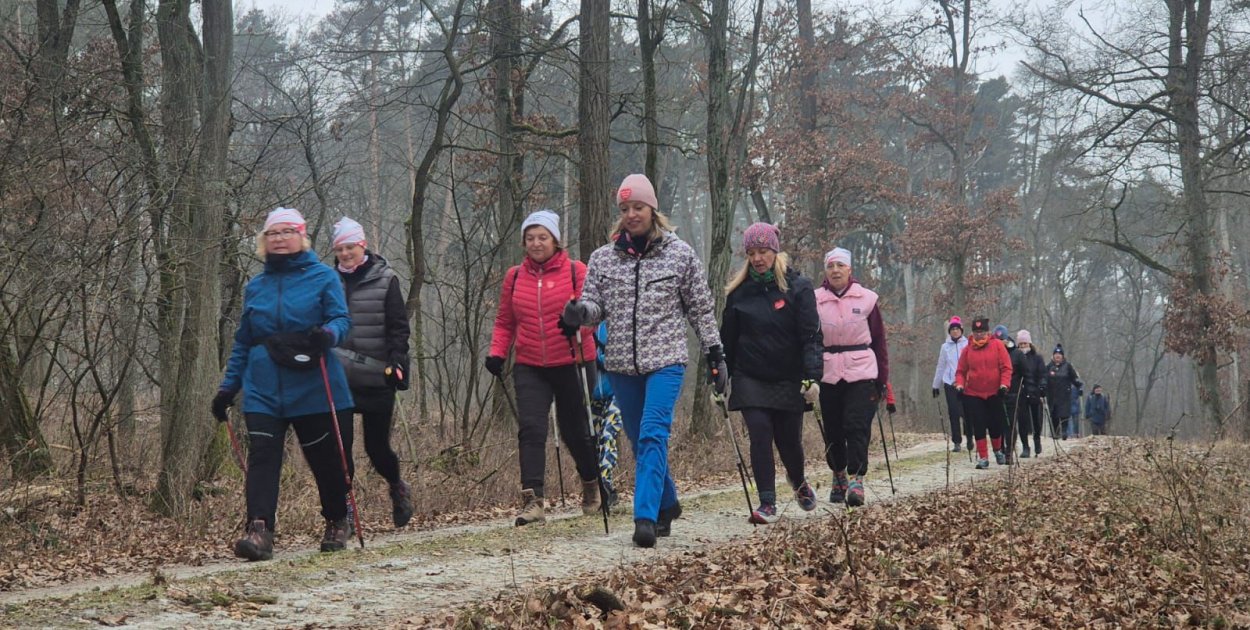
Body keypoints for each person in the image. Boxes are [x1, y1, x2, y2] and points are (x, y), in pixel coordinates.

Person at [559, 173, 722, 548]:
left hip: (666, 361)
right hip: (620, 364)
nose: (632, 214)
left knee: (652, 433)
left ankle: (644, 517)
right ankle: (668, 501)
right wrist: (578, 313)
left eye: (638, 207)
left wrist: (716, 354)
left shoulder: (679, 254)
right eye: (625, 208)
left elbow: (700, 308)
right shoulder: (603, 258)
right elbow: (595, 307)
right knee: (637, 438)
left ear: (653, 209)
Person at [211, 207, 355, 561]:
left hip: (314, 384)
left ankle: (337, 519)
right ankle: (259, 530)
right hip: (263, 387)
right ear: (263, 241)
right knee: (263, 458)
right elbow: (244, 340)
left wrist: (328, 334)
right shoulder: (255, 286)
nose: (279, 238)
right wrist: (228, 388)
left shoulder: (323, 277)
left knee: (326, 461)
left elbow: (341, 318)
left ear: (301, 237)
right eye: (272, 233)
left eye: (287, 231)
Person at [486, 210, 601, 526]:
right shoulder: (514, 277)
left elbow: (595, 315)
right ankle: (532, 501)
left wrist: (576, 326)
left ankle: (592, 485)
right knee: (532, 429)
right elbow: (505, 321)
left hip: (574, 362)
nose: (536, 243)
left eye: (543, 237)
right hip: (530, 364)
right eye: (530, 238)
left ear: (555, 240)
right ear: (524, 242)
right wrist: (497, 352)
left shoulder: (577, 272)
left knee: (575, 432)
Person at [719, 222, 821, 524]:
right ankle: (767, 501)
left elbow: (811, 336)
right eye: (751, 253)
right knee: (760, 433)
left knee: (789, 441)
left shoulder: (799, 288)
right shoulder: (738, 294)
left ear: (775, 252)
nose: (757, 258)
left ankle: (799, 481)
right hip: (750, 376)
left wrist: (812, 376)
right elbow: (727, 341)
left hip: (789, 377)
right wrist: (719, 379)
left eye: (763, 251)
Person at [330, 217, 414, 528]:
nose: (345, 253)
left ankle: (397, 486)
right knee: (340, 453)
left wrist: (398, 363)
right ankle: (345, 513)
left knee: (377, 449)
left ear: (362, 246)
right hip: (338, 379)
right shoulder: (328, 281)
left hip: (377, 376)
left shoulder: (386, 278)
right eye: (340, 249)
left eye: (350, 246)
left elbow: (398, 327)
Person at [814, 246, 889, 507]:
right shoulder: (815, 299)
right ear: (825, 270)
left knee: (857, 425)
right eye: (831, 266)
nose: (835, 270)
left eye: (840, 266)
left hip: (862, 371)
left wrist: (882, 381)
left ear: (849, 270)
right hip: (828, 371)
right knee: (833, 429)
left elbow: (879, 341)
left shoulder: (867, 299)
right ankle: (838, 474)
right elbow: (809, 339)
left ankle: (857, 478)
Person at [954, 318, 1012, 469]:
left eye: (982, 332)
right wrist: (959, 385)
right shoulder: (967, 350)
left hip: (995, 392)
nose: (979, 335)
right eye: (976, 332)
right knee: (978, 425)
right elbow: (960, 371)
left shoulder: (998, 346)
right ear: (972, 333)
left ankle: (998, 450)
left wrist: (1004, 385)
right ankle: (983, 457)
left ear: (988, 332)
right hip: (973, 392)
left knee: (995, 424)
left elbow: (1006, 368)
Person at [589, 322, 622, 507]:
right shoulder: (582, 326)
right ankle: (593, 488)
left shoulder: (613, 322)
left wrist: (598, 358)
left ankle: (605, 484)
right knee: (590, 440)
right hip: (591, 394)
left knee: (608, 435)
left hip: (616, 392)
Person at [932, 316, 971, 452]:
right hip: (949, 383)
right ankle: (957, 442)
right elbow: (941, 366)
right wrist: (935, 385)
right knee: (953, 413)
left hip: (966, 383)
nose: (955, 331)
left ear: (961, 330)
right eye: (952, 329)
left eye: (957, 329)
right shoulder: (945, 347)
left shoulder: (968, 344)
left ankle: (970, 438)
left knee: (966, 412)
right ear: (949, 332)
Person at [1013, 330, 1046, 457]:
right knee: (1022, 421)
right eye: (1020, 344)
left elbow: (1043, 374)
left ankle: (1037, 440)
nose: (1022, 346)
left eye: (1024, 343)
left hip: (1035, 392)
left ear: (1029, 343)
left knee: (1036, 419)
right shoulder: (1015, 357)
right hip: (1020, 392)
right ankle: (1025, 446)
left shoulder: (1037, 358)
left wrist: (1042, 386)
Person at [1044, 344, 1082, 440]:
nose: (1057, 356)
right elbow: (1044, 379)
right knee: (1054, 414)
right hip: (1052, 395)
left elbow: (1074, 378)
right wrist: (1042, 387)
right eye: (1056, 354)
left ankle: (1064, 431)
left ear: (1063, 356)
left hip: (1064, 395)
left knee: (1064, 413)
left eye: (1059, 354)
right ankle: (1056, 432)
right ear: (1053, 356)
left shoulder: (1068, 366)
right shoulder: (1049, 367)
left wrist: (1079, 386)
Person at [993, 325, 1018, 462]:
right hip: (995, 394)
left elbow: (1025, 374)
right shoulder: (990, 352)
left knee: (1010, 425)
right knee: (998, 424)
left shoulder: (1016, 353)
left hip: (1012, 393)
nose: (1000, 343)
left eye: (1002, 340)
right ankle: (1000, 450)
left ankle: (1009, 451)